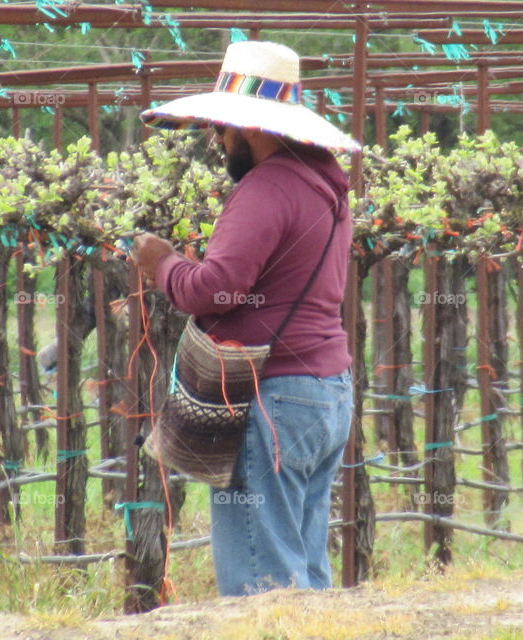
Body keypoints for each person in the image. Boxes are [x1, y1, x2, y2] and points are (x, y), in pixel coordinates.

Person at [131, 40, 358, 596]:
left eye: (221, 127)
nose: (216, 139)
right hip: (325, 392)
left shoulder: (267, 188)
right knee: (302, 570)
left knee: (263, 583)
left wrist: (162, 263)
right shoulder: (325, 185)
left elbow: (216, 290)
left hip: (272, 396)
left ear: (250, 128)